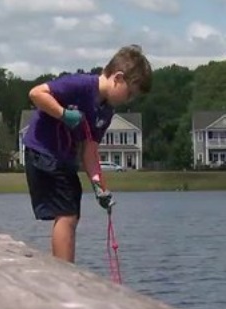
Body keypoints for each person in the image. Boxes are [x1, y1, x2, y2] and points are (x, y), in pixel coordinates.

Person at [23, 44, 152, 263]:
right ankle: (64, 271)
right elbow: (36, 93)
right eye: (129, 93)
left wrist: (99, 186)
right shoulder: (81, 85)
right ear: (118, 78)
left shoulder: (106, 112)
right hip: (42, 149)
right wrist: (63, 114)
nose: (129, 100)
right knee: (67, 212)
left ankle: (64, 266)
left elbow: (90, 150)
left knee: (72, 207)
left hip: (63, 158)